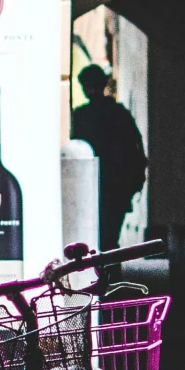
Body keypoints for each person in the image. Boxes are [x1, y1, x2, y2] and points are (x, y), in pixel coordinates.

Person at [70, 63, 148, 252]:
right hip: (116, 185)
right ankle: (110, 275)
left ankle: (100, 275)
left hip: (94, 185)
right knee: (110, 238)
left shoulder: (81, 116)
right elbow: (136, 149)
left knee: (95, 236)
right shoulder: (119, 113)